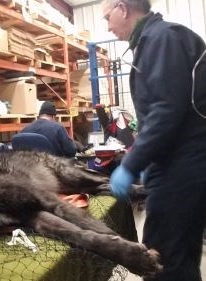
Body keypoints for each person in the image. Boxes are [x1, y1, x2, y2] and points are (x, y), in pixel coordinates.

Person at [103, 0, 206, 280]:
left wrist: (131, 164)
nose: (108, 26)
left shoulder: (162, 39)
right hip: (177, 163)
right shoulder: (155, 40)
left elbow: (166, 109)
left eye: (107, 17)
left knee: (163, 260)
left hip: (181, 168)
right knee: (180, 256)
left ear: (122, 8)